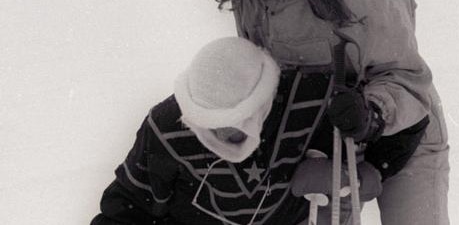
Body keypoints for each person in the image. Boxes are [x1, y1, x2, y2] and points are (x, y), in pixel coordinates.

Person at [191, 0, 450, 224]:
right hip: (327, 142)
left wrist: (371, 115)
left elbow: (406, 75)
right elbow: (268, 78)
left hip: (403, 132)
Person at [91, 37, 382, 225]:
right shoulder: (167, 126)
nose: (219, 134)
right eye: (208, 122)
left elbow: (407, 125)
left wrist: (373, 163)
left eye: (233, 120)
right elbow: (129, 205)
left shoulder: (308, 97)